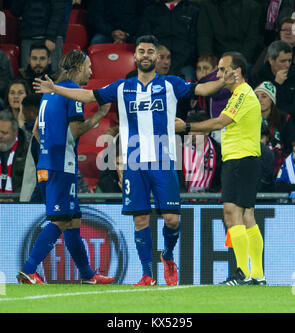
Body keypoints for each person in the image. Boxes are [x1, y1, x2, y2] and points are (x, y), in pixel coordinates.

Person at [33, 35, 236, 286]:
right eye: (142, 51)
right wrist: (55, 89)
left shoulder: (171, 84)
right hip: (134, 163)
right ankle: (148, 274)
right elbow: (87, 96)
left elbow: (202, 89)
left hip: (163, 160)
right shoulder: (121, 87)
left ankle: (168, 255)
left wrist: (221, 82)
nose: (146, 55)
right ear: (136, 56)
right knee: (140, 219)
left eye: (152, 51)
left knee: (172, 219)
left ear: (157, 57)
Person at [17, 50, 114, 285]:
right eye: (89, 66)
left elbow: (36, 132)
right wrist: (99, 115)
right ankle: (29, 269)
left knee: (72, 221)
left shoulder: (49, 94)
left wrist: (52, 150)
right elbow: (76, 130)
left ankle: (88, 275)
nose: (91, 71)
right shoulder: (72, 94)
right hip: (61, 167)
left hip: (48, 164)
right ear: (78, 67)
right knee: (60, 220)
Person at [176, 51, 266, 285]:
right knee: (246, 215)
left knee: (234, 213)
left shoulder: (242, 94)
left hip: (241, 160)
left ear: (236, 72)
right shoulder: (241, 94)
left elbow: (219, 122)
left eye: (223, 69)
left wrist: (186, 127)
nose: (219, 73)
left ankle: (243, 273)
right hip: (242, 160)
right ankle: (255, 274)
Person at [137, 0, 200, 80]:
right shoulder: (150, 11)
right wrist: (158, 60)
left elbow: (193, 42)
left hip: (184, 64)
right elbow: (144, 40)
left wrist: (173, 64)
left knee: (186, 83)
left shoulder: (193, 9)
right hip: (156, 63)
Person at [250, 40, 295, 131]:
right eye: (283, 61)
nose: (287, 65)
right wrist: (276, 85)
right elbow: (260, 106)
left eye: (289, 60)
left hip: (293, 124)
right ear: (271, 60)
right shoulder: (259, 76)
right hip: (266, 126)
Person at [196, 0, 264, 65]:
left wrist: (237, 62)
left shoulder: (252, 7)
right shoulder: (207, 5)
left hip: (242, 59)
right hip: (216, 59)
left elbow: (252, 40)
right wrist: (209, 60)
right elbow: (204, 37)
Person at [10, 0, 67, 72]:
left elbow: (58, 12)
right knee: (27, 74)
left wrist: (51, 37)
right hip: (28, 35)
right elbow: (15, 11)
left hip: (52, 38)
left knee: (54, 74)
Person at [254, 80, 295, 176]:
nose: (259, 100)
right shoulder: (248, 118)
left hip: (280, 162)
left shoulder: (284, 118)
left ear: (272, 100)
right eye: (256, 97)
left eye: (264, 96)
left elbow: (291, 146)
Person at [177, 111, 222, 196]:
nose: (192, 134)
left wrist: (209, 195)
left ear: (207, 131)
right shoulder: (179, 150)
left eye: (196, 130)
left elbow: (220, 182)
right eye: (190, 131)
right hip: (184, 200)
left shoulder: (219, 152)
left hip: (210, 202)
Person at [87, 0, 153, 44]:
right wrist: (111, 32)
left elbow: (142, 18)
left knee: (144, 44)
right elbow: (95, 18)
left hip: (132, 33)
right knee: (97, 41)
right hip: (107, 33)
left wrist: (127, 34)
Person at [0, 110, 28, 201]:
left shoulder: (26, 151)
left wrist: (14, 199)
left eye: (4, 133)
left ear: (15, 133)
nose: (0, 136)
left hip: (18, 204)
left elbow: (29, 183)